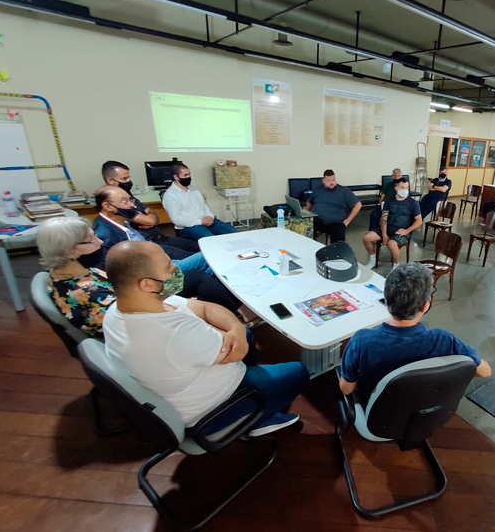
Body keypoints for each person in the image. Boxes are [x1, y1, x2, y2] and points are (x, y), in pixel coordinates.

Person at [102, 240, 310, 435]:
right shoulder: (175, 332)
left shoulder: (120, 309)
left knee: (244, 333)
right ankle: (257, 418)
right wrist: (233, 331)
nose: (176, 268)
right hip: (211, 412)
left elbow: (203, 306)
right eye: (168, 267)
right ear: (146, 284)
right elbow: (237, 351)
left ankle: (257, 400)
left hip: (188, 385)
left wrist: (236, 327)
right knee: (299, 371)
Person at [37, 217, 248, 339]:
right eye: (90, 240)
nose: (100, 242)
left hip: (145, 307)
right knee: (202, 283)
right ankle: (243, 320)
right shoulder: (87, 294)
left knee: (196, 275)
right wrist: (182, 305)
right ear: (70, 251)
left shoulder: (62, 276)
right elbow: (139, 322)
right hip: (153, 333)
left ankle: (238, 313)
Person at [339, 263, 491, 405]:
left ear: (386, 300)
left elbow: (346, 389)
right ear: (425, 305)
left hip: (375, 415)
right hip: (421, 412)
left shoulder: (362, 341)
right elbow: (485, 371)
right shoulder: (443, 340)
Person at [101, 160, 199, 255]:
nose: (128, 181)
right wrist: (148, 217)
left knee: (196, 246)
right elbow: (150, 221)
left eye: (128, 178)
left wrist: (150, 215)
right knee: (194, 257)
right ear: (110, 180)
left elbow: (152, 216)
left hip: (160, 237)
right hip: (149, 244)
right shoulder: (115, 204)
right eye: (124, 179)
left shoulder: (128, 196)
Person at [162, 162, 237, 241]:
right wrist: (200, 222)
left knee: (232, 231)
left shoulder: (193, 189)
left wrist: (210, 216)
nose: (189, 177)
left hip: (205, 220)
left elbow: (204, 205)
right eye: (185, 175)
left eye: (189, 174)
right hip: (189, 225)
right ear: (176, 177)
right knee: (210, 239)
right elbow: (176, 220)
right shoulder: (171, 195)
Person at [362, 178, 422, 268]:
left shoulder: (413, 203)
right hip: (387, 228)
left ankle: (396, 266)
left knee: (392, 244)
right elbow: (384, 218)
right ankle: (373, 260)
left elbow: (419, 220)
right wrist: (384, 234)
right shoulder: (389, 200)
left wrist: (407, 231)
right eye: (402, 187)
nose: (405, 190)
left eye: (407, 187)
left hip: (402, 232)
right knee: (367, 238)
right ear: (396, 188)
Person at [305, 169, 362, 243]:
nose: (331, 183)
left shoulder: (344, 191)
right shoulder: (318, 189)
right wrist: (305, 211)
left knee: (338, 237)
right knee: (303, 228)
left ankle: (336, 253)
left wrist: (348, 221)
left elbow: (358, 205)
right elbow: (310, 201)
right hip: (317, 220)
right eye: (328, 181)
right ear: (323, 181)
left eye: (333, 180)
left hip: (335, 223)